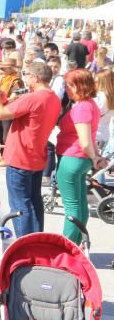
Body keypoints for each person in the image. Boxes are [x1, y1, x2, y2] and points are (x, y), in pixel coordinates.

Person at [0, 62, 62, 238]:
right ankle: (36, 241)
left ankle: (24, 243)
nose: (24, 78)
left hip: (21, 159)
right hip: (36, 157)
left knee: (20, 205)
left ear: (35, 78)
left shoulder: (33, 98)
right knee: (34, 202)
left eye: (26, 74)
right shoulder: (53, 98)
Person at [56, 69, 104, 245]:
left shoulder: (82, 107)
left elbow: (85, 141)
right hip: (80, 159)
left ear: (76, 86)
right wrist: (95, 156)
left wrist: (94, 157)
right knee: (80, 205)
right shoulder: (90, 104)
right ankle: (76, 244)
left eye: (68, 85)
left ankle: (65, 246)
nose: (66, 89)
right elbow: (90, 138)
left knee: (72, 207)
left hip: (72, 157)